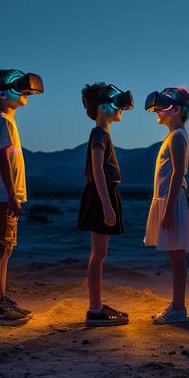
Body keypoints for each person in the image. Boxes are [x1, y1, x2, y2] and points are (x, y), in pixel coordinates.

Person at [0, 69, 41, 325]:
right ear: (2, 94)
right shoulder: (3, 121)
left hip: (5, 196)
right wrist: (11, 196)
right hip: (0, 197)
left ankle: (1, 299)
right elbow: (4, 159)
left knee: (5, 248)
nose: (26, 94)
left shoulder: (8, 121)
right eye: (21, 89)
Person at [144, 87, 189, 324]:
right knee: (174, 254)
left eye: (162, 107)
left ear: (175, 110)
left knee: (177, 256)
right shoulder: (174, 135)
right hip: (170, 200)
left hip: (173, 201)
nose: (157, 111)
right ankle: (177, 305)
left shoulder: (177, 135)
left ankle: (178, 308)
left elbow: (178, 173)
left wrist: (167, 210)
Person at [78, 82, 133, 326]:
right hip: (101, 195)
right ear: (100, 108)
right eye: (113, 101)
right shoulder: (98, 134)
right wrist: (107, 205)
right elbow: (98, 170)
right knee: (98, 255)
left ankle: (97, 305)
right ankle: (95, 310)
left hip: (103, 194)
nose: (119, 106)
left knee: (99, 254)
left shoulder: (103, 133)